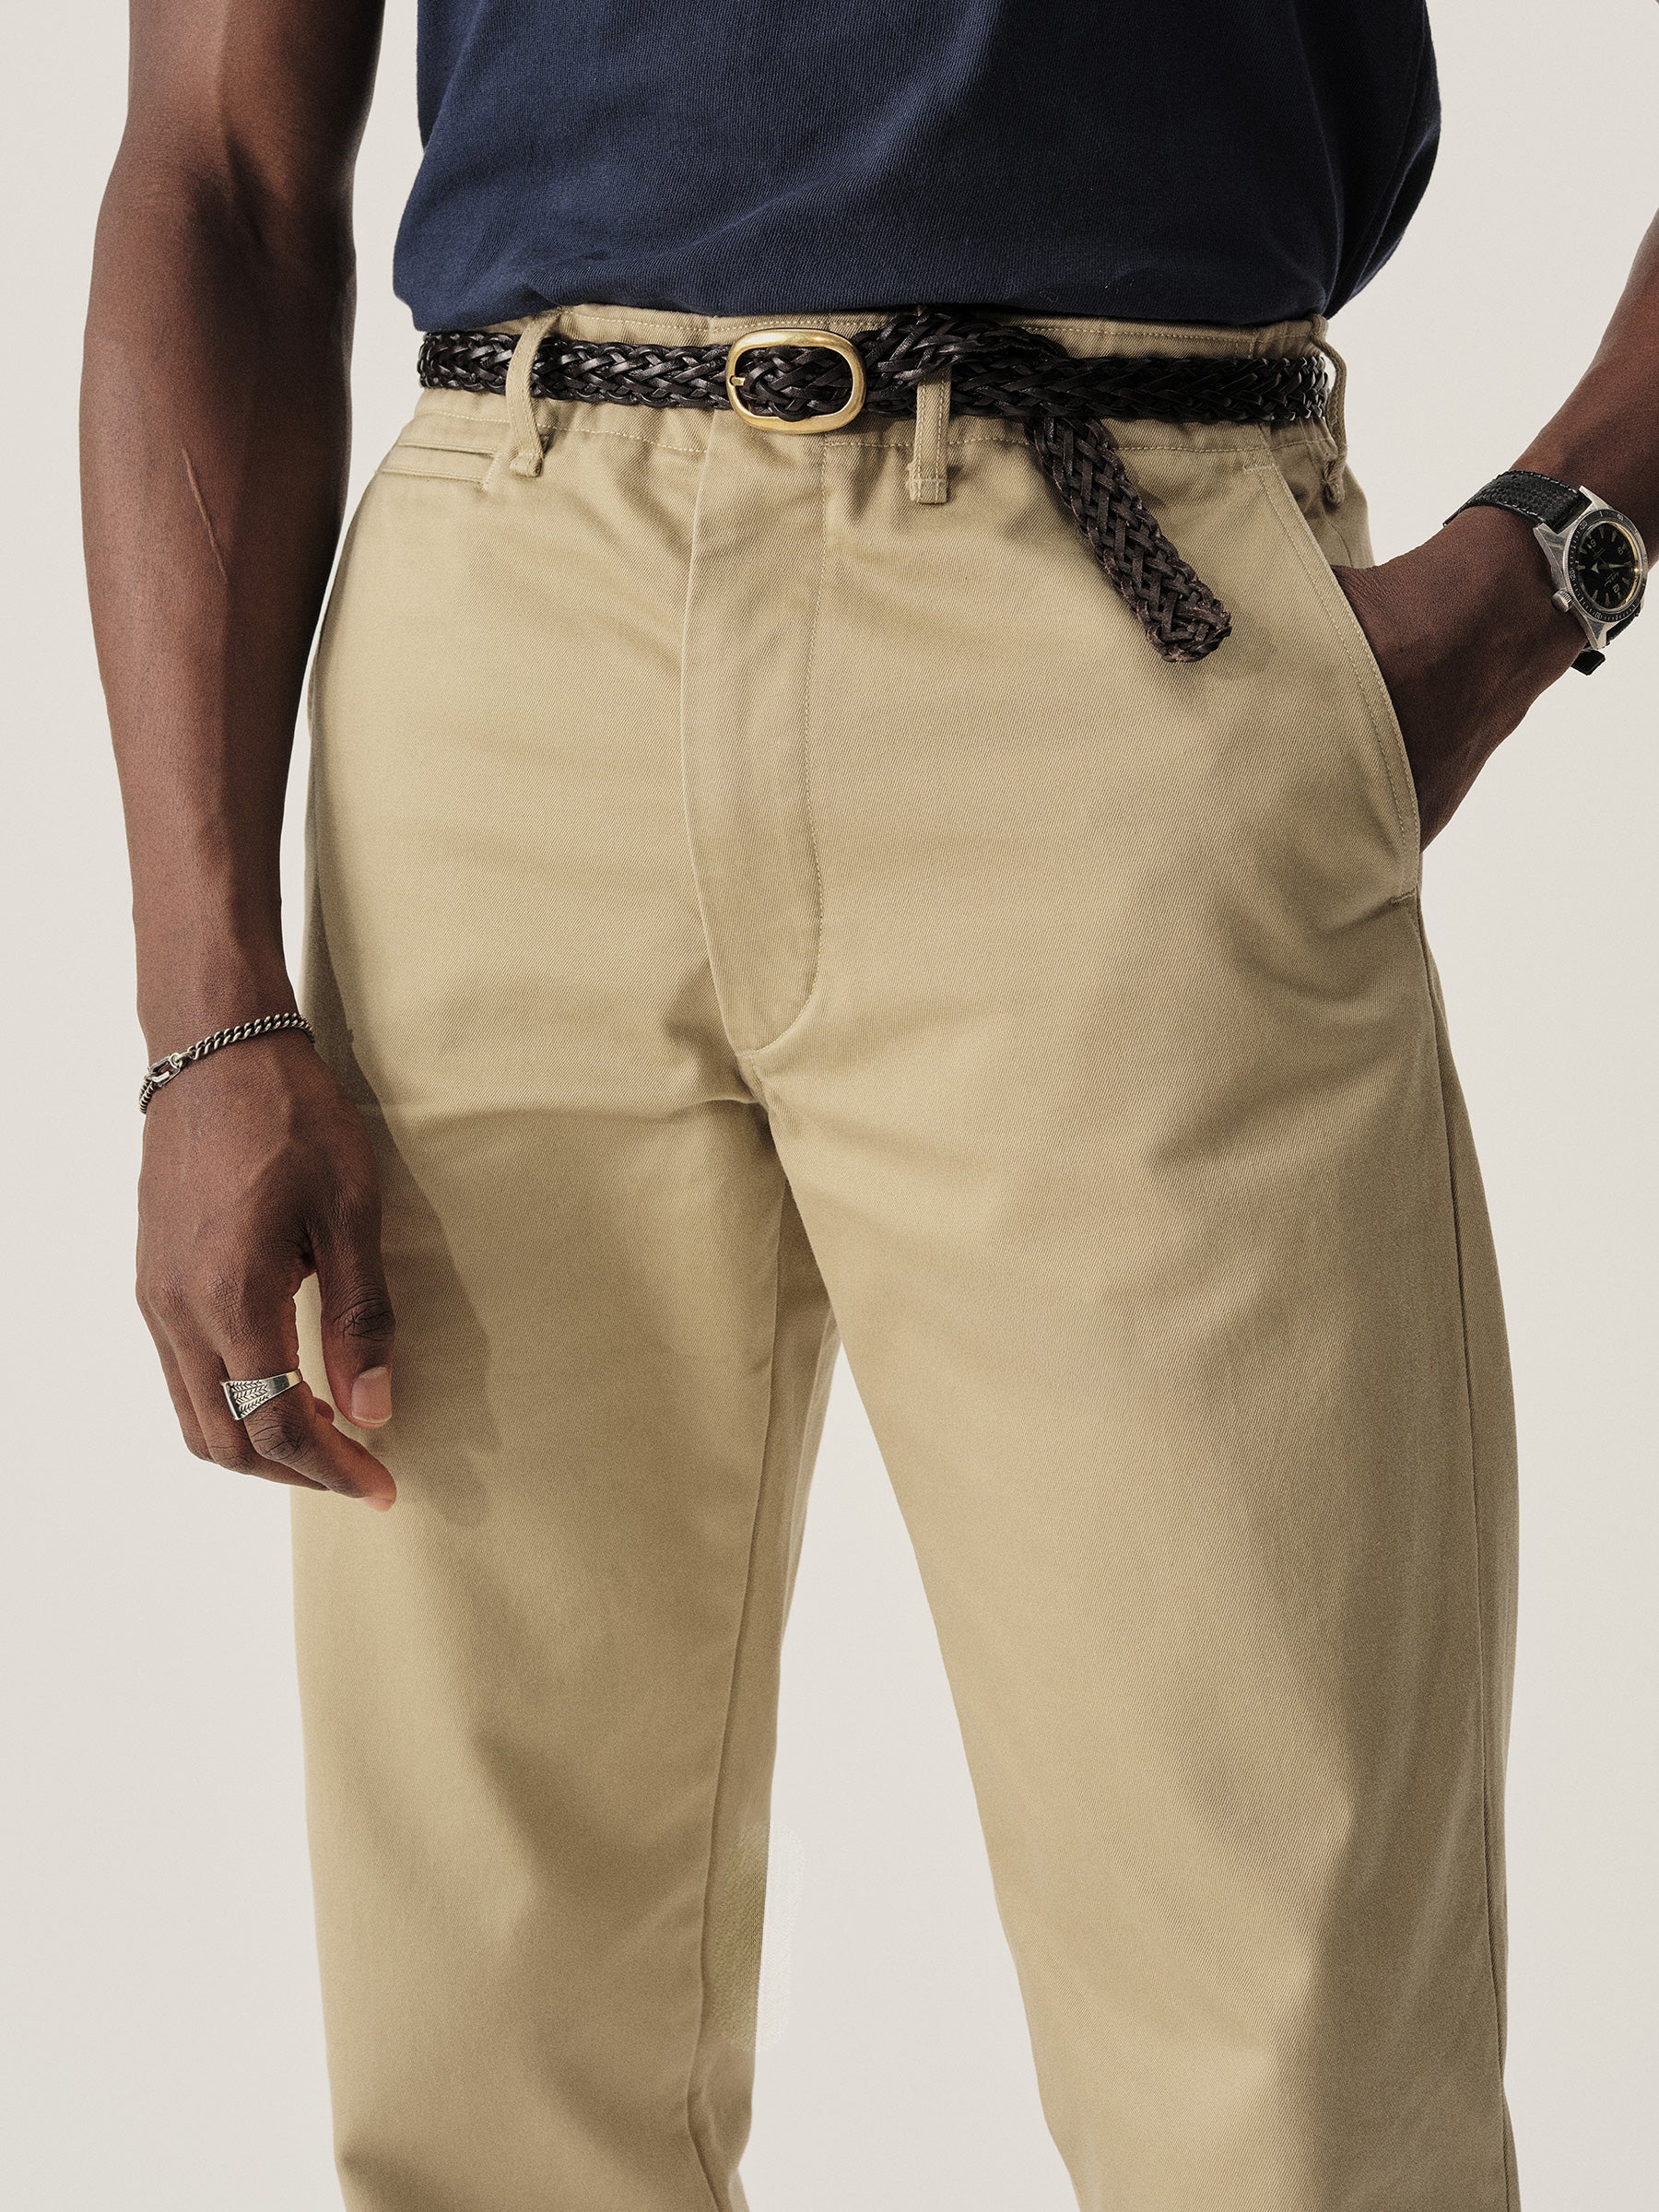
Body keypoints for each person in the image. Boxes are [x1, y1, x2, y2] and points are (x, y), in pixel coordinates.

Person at [81, 5, 1651, 2208]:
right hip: (505, 662)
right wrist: (205, 1010)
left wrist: (1554, 550)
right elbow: (221, 167)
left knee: (1288, 2076)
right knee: (490, 2068)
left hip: (1125, 625)